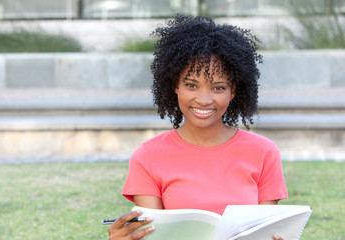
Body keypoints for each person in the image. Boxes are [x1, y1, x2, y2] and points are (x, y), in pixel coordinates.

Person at [108, 14, 288, 240]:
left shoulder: (264, 153)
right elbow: (153, 236)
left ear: (234, 91)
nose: (204, 100)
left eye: (218, 88)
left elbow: (264, 232)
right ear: (175, 85)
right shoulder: (147, 157)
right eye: (191, 85)